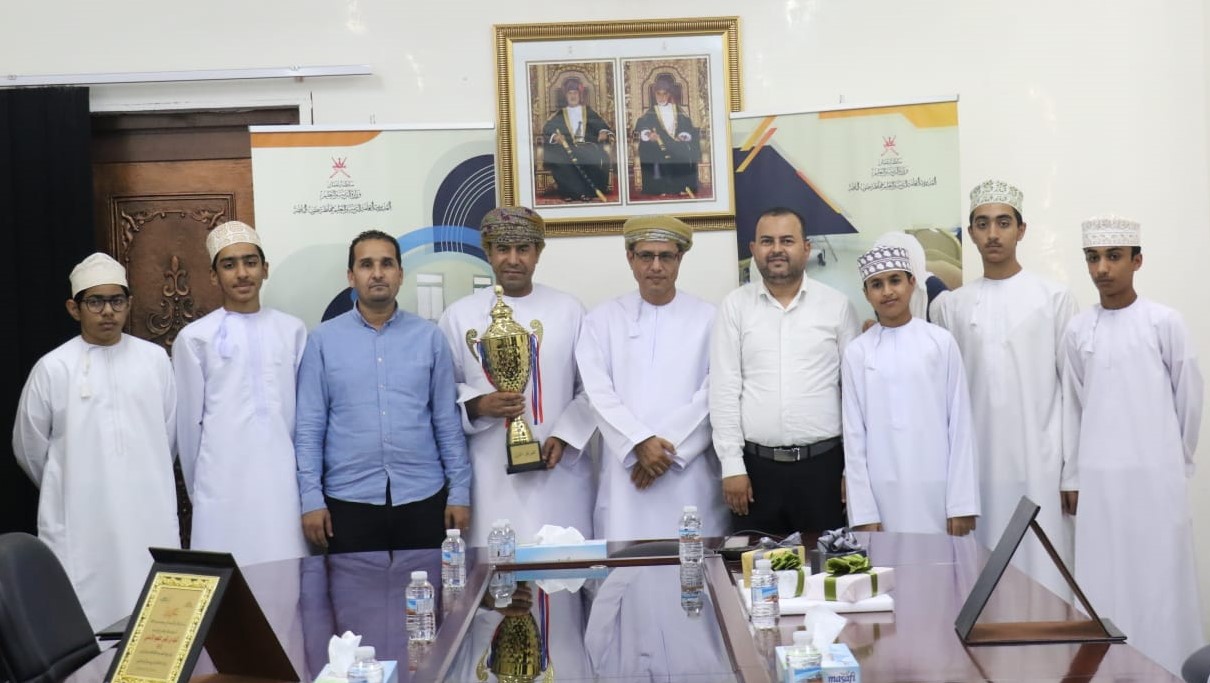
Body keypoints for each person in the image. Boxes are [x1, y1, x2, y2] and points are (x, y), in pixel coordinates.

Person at [1061, 215, 1202, 675]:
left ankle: (1168, 670)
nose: (1102, 268)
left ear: (1137, 261)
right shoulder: (1078, 330)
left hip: (1156, 477)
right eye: (1093, 258)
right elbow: (1075, 406)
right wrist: (1075, 475)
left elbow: (1189, 398)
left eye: (1113, 257)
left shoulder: (1164, 322)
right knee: (1104, 580)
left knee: (1159, 579)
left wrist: (1174, 463)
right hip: (1100, 483)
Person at [12, 253, 179, 630]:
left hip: (147, 511)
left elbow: (167, 437)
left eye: (116, 300)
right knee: (88, 618)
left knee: (152, 613)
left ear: (129, 304)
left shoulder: (155, 360)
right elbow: (29, 447)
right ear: (74, 308)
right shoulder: (53, 367)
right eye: (96, 301)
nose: (108, 311)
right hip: (80, 518)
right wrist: (67, 483)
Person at [930, 180, 1078, 600]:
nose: (993, 234)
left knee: (1045, 573)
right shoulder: (950, 306)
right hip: (977, 467)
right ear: (971, 233)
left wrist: (1072, 472)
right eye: (982, 224)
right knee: (982, 576)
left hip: (1040, 463)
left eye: (1003, 223)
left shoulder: (1054, 298)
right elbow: (943, 401)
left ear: (1021, 230)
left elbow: (1072, 392)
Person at [295, 230, 471, 553]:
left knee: (426, 586)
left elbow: (446, 422)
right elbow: (310, 428)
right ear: (351, 276)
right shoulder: (322, 341)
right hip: (347, 501)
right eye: (366, 265)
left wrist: (459, 492)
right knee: (354, 588)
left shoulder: (429, 338)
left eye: (387, 264)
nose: (377, 273)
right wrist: (311, 498)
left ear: (400, 275)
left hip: (423, 497)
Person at [437, 207, 597, 546]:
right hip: (490, 474)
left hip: (559, 474)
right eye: (502, 249)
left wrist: (565, 436)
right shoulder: (458, 316)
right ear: (488, 252)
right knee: (499, 569)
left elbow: (593, 388)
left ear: (538, 252)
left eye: (523, 249)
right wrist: (479, 404)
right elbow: (442, 392)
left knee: (563, 566)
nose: (512, 259)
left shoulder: (569, 311)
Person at [711, 207, 861, 536]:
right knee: (752, 566)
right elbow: (724, 390)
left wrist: (853, 470)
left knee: (825, 564)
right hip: (755, 473)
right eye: (767, 241)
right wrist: (732, 465)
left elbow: (854, 395)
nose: (777, 249)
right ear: (753, 249)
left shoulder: (836, 306)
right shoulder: (735, 307)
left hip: (824, 470)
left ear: (806, 248)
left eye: (787, 241)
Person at [575, 215, 726, 540]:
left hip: (688, 472)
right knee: (628, 562)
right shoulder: (601, 320)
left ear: (679, 259)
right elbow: (598, 394)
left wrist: (663, 451)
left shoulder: (710, 318)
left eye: (666, 256)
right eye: (646, 256)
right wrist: (638, 443)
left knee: (691, 560)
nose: (656, 266)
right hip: (627, 475)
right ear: (630, 258)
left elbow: (715, 392)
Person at [173, 221, 307, 565]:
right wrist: (201, 487)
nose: (242, 273)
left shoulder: (292, 330)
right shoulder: (195, 338)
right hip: (221, 483)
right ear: (214, 275)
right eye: (229, 264)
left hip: (281, 479)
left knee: (284, 573)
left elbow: (305, 417)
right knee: (227, 577)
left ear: (265, 268)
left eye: (250, 262)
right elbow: (188, 427)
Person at [842, 245, 979, 535]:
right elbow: (854, 437)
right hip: (882, 493)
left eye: (895, 280)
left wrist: (961, 504)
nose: (887, 292)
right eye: (876, 285)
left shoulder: (940, 342)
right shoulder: (857, 352)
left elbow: (960, 426)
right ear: (866, 293)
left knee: (941, 562)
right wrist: (863, 511)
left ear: (912, 282)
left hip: (937, 489)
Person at [541, 77, 614, 202]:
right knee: (560, 160)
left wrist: (603, 132)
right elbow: (547, 129)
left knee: (594, 157)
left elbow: (602, 126)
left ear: (580, 95)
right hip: (568, 148)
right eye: (570, 93)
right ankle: (570, 192)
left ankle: (588, 192)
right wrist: (555, 136)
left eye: (575, 93)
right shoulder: (560, 114)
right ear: (566, 96)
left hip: (587, 146)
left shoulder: (588, 112)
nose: (573, 96)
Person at [634, 73, 701, 197]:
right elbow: (642, 125)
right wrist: (649, 134)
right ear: (655, 95)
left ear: (669, 94)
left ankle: (683, 186)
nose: (661, 97)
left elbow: (687, 127)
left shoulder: (677, 110)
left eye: (664, 94)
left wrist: (683, 135)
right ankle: (659, 188)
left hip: (676, 142)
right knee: (652, 151)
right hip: (658, 144)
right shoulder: (651, 111)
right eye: (658, 94)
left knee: (683, 151)